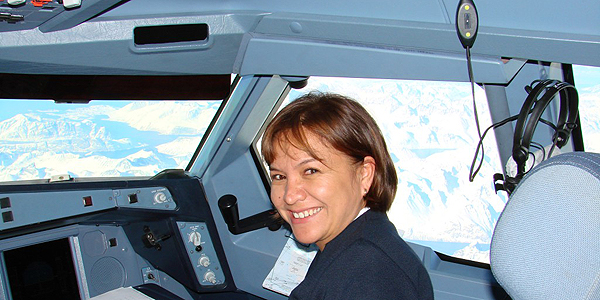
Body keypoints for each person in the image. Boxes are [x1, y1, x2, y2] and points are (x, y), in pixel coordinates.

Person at [261, 92, 434, 299]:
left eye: (311, 171)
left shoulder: (368, 277)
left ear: (364, 174)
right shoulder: (358, 245)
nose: (290, 196)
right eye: (279, 176)